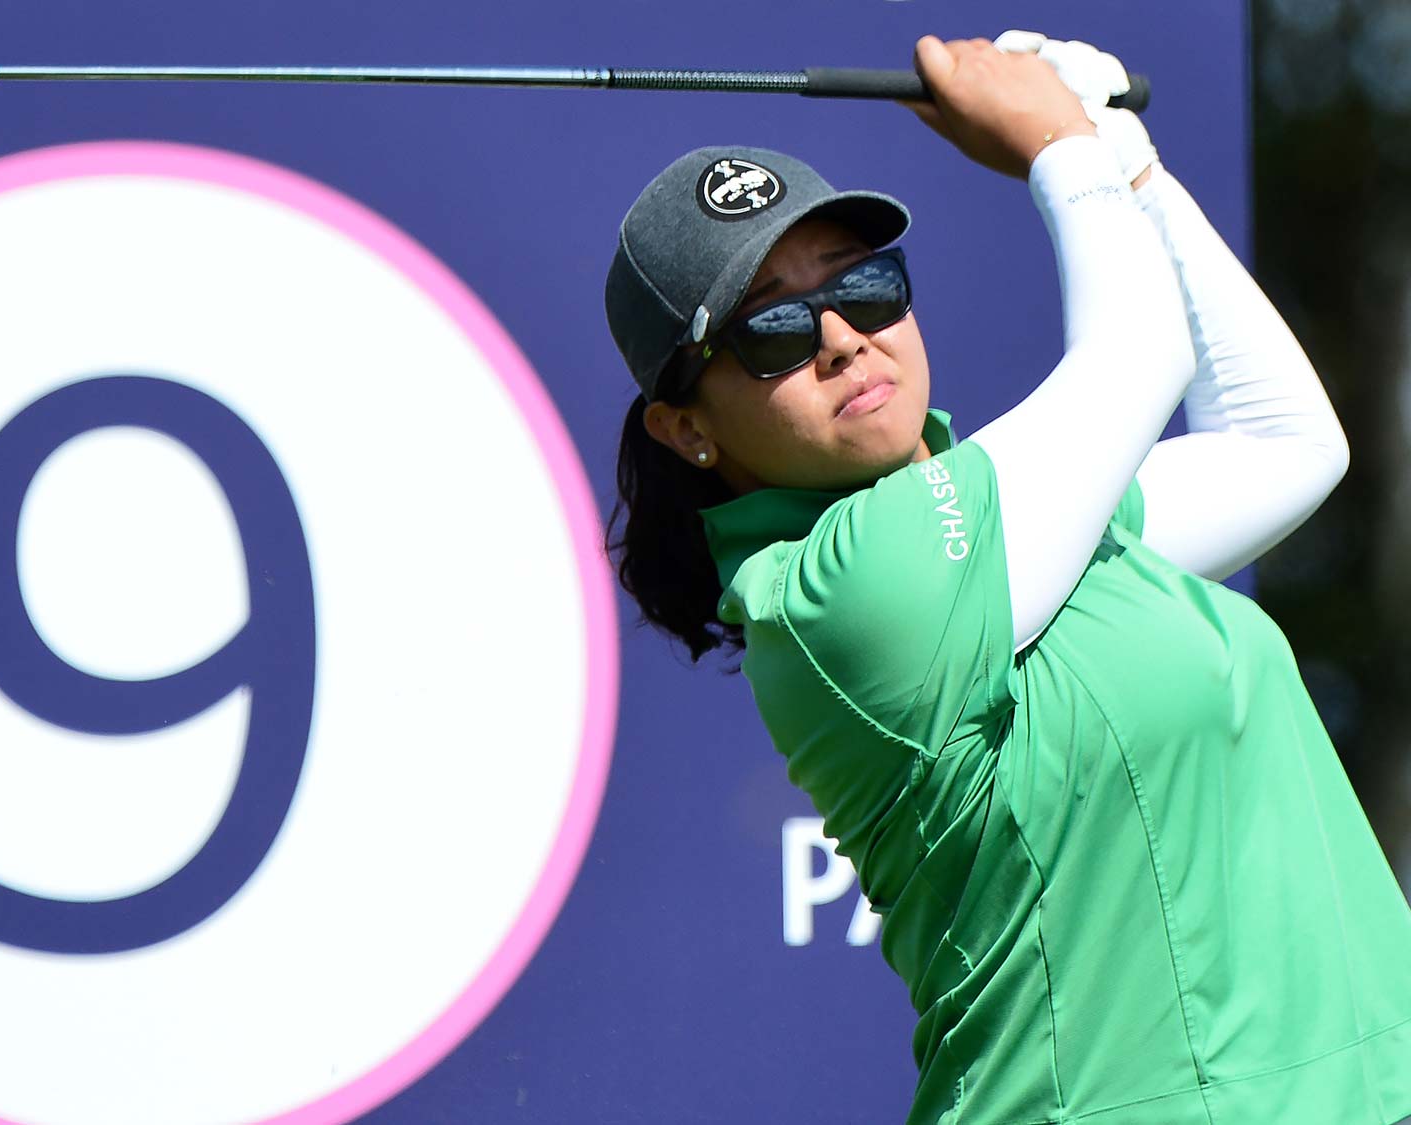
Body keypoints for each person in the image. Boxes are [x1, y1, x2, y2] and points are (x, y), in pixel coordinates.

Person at [601, 31, 1411, 1125]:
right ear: (685, 427)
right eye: (771, 332)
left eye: (866, 287)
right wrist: (1058, 147)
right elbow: (1138, 359)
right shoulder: (833, 596)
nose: (842, 339)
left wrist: (1129, 162)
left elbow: (1282, 444)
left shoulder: (1027, 539)